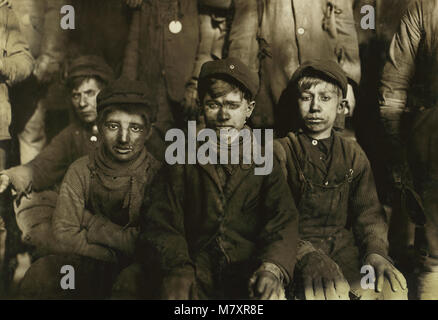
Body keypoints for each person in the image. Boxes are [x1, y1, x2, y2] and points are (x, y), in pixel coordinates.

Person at [140, 57, 299, 300]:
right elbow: (161, 220)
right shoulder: (181, 154)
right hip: (194, 267)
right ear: (201, 107)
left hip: (249, 269)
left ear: (249, 109)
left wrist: (272, 268)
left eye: (233, 105)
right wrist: (178, 267)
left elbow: (282, 220)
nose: (223, 115)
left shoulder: (264, 156)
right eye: (213, 104)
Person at [274, 60, 407, 300]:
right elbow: (275, 221)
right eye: (306, 98)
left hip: (345, 254)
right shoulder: (281, 152)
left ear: (341, 106)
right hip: (298, 254)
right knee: (327, 293)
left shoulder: (353, 154)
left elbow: (369, 216)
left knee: (392, 288)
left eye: (325, 98)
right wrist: (305, 255)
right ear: (296, 103)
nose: (315, 107)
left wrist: (375, 253)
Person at [18, 79, 161, 299]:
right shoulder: (81, 169)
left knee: (129, 287)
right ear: (101, 126)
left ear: (148, 132)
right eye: (113, 126)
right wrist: (116, 248)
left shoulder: (158, 175)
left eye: (135, 128)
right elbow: (64, 235)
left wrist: (91, 225)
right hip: (88, 261)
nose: (124, 138)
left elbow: (150, 243)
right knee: (40, 276)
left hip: (137, 269)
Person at [0, 55, 114, 257]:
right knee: (28, 201)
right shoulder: (73, 134)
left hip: (115, 224)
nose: (82, 102)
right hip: (83, 221)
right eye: (76, 95)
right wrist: (11, 176)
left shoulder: (123, 130)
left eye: (90, 93)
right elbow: (43, 165)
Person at [378, 0, 438, 299]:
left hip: (428, 140)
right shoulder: (425, 8)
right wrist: (397, 148)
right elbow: (393, 87)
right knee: (433, 258)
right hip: (432, 143)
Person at [227, 0, 360, 134]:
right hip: (273, 93)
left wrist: (348, 82)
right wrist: (241, 88)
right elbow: (244, 40)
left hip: (325, 86)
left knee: (326, 146)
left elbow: (345, 30)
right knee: (275, 147)